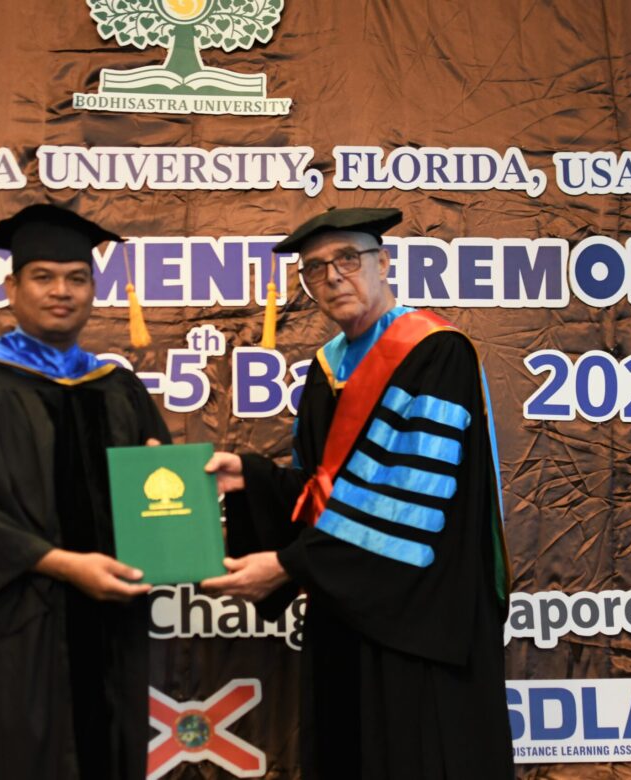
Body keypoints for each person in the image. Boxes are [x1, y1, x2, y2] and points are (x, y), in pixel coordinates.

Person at [202, 207, 514, 779]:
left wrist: (291, 565)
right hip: (346, 607)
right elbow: (325, 489)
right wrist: (249, 476)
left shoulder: (435, 352)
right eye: (315, 268)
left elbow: (410, 498)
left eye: (347, 259)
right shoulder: (326, 371)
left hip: (420, 614)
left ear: (383, 262)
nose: (333, 277)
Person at [0, 203, 169, 780]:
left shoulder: (119, 389)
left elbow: (159, 502)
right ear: (12, 289)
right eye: (43, 277)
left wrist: (179, 505)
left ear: (93, 291)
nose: (62, 291)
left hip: (108, 628)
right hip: (12, 627)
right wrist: (63, 564)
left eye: (77, 278)